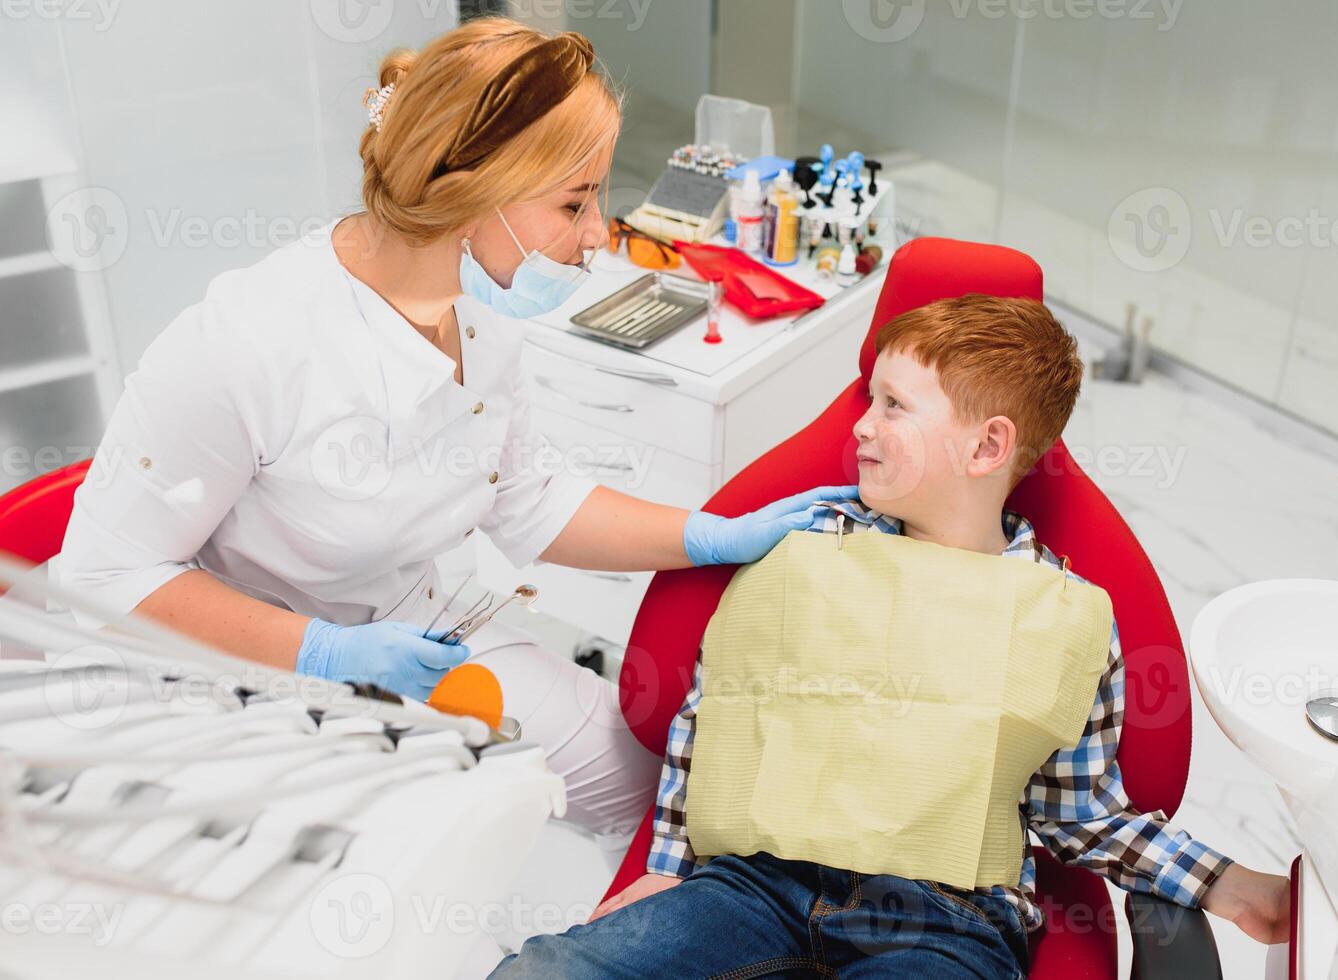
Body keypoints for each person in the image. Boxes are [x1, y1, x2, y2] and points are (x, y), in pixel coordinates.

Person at [51, 17, 854, 838]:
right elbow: (102, 576)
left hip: (412, 631)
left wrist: (710, 534)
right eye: (575, 202)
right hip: (238, 680)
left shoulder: (480, 310)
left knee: (646, 791)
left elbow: (528, 502)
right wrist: (322, 653)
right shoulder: (247, 343)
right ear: (470, 195)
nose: (597, 234)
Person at [491, 295, 1290, 977]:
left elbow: (1077, 811)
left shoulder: (1061, 614)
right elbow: (715, 717)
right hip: (754, 884)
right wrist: (668, 872)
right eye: (869, 399)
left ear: (988, 446)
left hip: (946, 918)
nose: (861, 427)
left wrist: (1222, 881)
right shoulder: (808, 547)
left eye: (894, 406)